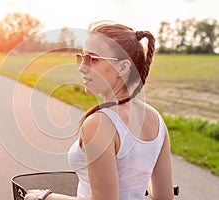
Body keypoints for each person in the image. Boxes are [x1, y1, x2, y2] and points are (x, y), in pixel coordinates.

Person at [24, 21, 174, 200]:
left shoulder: (99, 123)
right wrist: (138, 179)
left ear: (123, 67)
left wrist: (45, 197)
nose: (82, 67)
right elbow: (164, 196)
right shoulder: (156, 120)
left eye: (93, 59)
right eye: (83, 57)